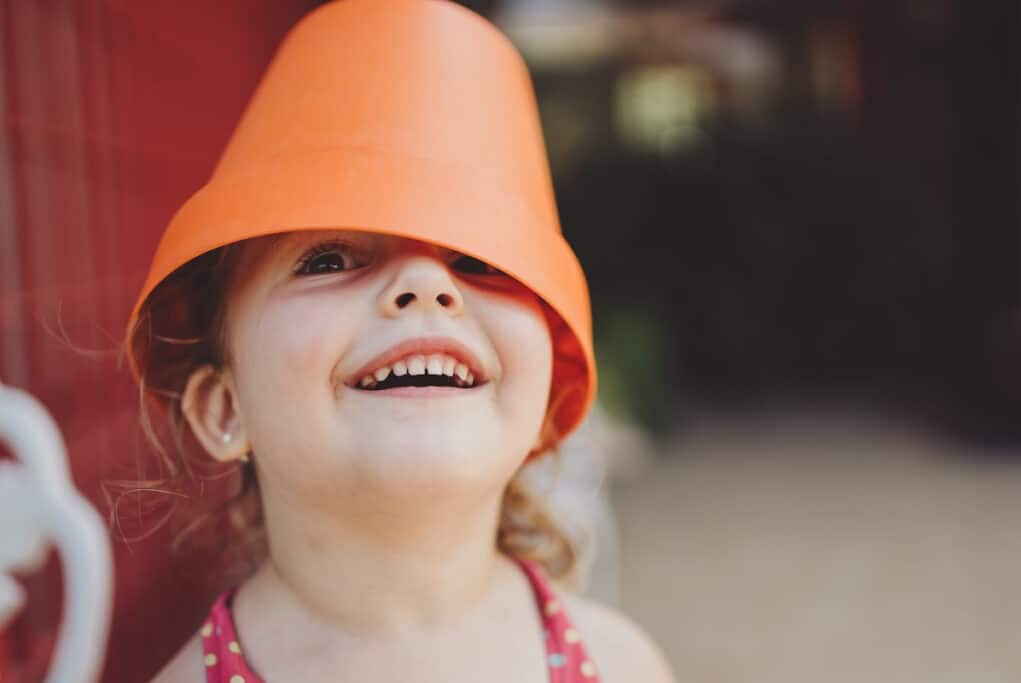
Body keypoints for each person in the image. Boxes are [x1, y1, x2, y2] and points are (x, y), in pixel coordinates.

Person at [126, 1, 676, 681]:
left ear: (545, 397)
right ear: (224, 407)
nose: (425, 284)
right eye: (328, 259)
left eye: (480, 261)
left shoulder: (623, 666)